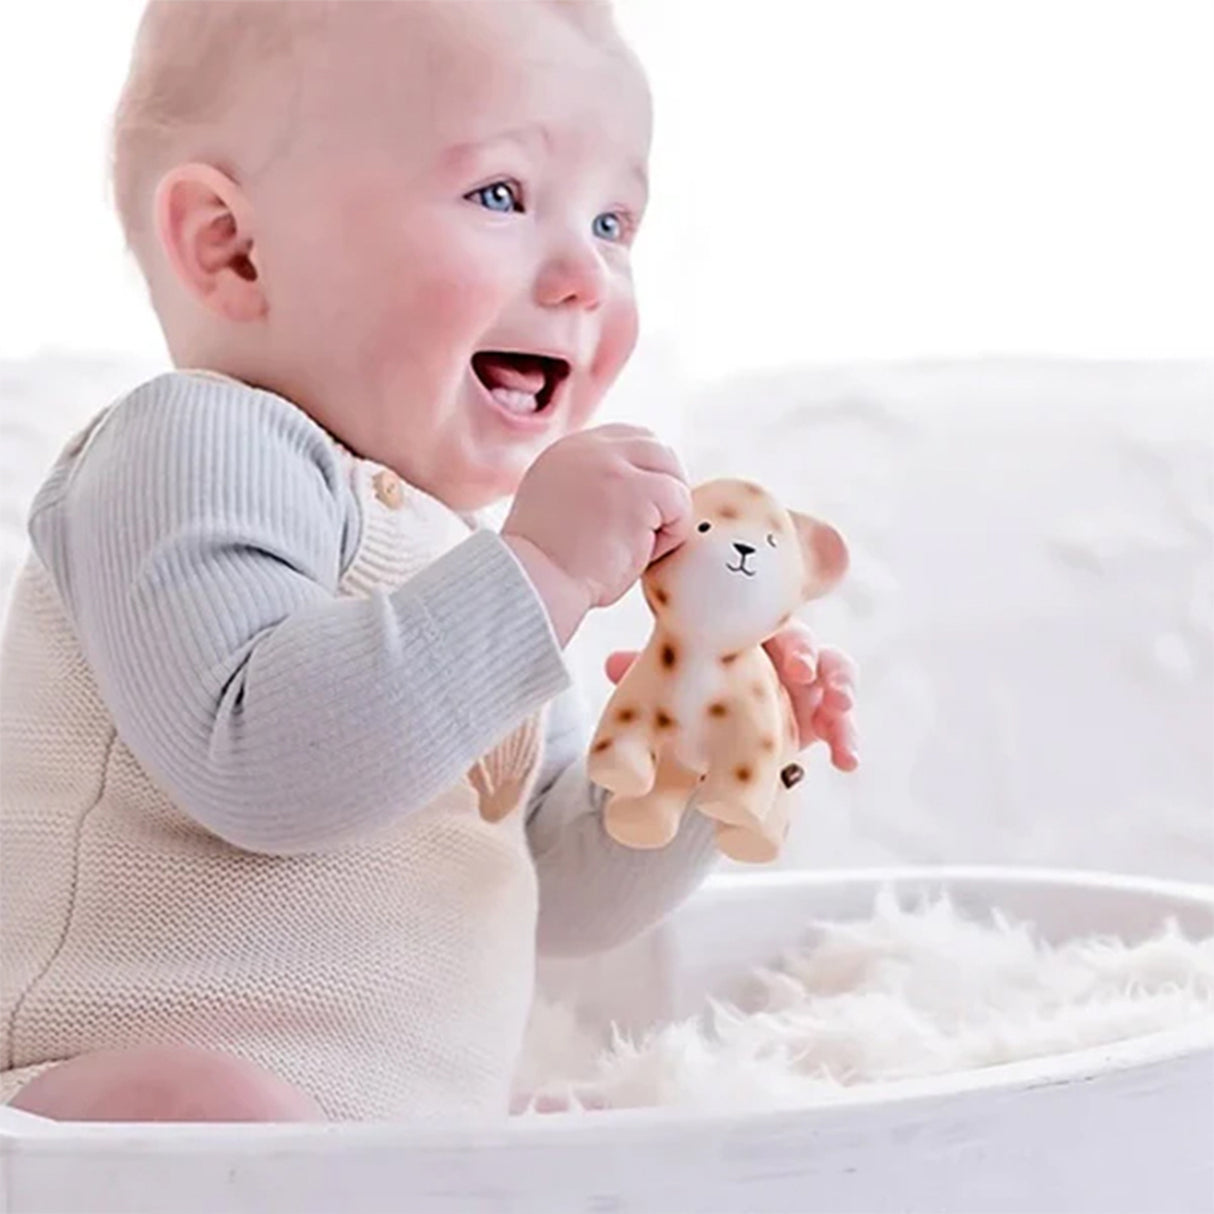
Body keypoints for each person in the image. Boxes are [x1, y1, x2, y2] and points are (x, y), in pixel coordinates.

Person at [0, 0, 857, 1122]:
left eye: (613, 223)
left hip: (375, 1152)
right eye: (499, 195)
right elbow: (262, 761)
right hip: (84, 1129)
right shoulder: (185, 444)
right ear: (234, 248)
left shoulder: (453, 554)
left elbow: (554, 895)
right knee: (194, 1097)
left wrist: (692, 758)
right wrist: (540, 569)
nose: (583, 276)